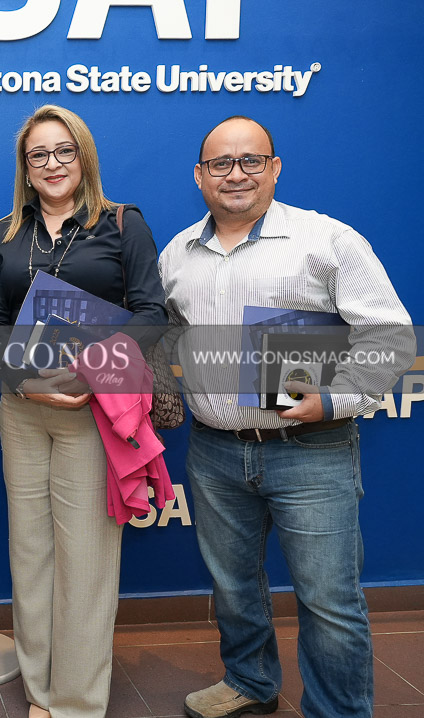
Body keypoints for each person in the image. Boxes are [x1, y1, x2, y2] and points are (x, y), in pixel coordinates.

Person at [158, 116, 414, 718]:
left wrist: (336, 398)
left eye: (251, 160)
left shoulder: (327, 241)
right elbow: (167, 333)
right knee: (233, 587)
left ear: (274, 168)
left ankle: (339, 711)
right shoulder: (176, 253)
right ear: (199, 176)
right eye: (220, 163)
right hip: (214, 449)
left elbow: (390, 334)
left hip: (311, 448)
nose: (236, 174)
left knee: (329, 600)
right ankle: (250, 683)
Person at [0, 105, 166, 718]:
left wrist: (93, 367)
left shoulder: (122, 223)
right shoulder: (6, 233)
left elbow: (151, 313)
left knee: (86, 561)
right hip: (23, 410)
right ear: (25, 166)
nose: (52, 164)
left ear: (83, 156)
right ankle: (40, 694)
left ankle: (77, 704)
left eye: (64, 151)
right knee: (30, 555)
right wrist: (24, 381)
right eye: (39, 155)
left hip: (94, 412)